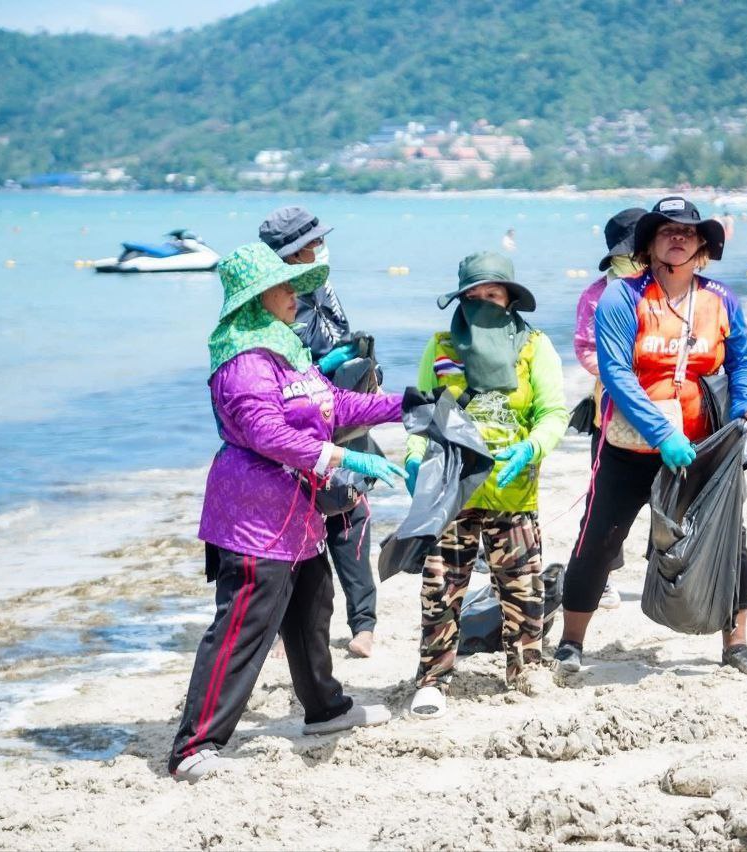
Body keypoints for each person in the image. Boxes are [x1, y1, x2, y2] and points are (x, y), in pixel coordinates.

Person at [168, 243, 407, 783]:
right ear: (257, 298)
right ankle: (194, 746)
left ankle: (325, 709)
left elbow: (333, 407)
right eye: (284, 287)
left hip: (295, 515)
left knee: (311, 606)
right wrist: (340, 456)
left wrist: (403, 405)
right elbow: (266, 433)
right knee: (242, 626)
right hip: (252, 515)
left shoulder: (285, 349)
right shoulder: (243, 359)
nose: (296, 294)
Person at [555, 196, 747, 675]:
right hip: (631, 445)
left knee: (728, 540)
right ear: (650, 244)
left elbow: (743, 363)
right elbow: (614, 373)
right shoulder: (622, 297)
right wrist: (661, 433)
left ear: (701, 247)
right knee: (600, 539)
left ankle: (736, 643)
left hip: (704, 446)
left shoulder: (720, 298)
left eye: (688, 232)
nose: (677, 238)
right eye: (666, 231)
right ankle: (571, 641)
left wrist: (745, 405)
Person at [404, 251, 567, 719]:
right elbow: (421, 416)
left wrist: (532, 448)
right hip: (450, 490)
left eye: (491, 295)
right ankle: (433, 678)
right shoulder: (440, 347)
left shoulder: (534, 347)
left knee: (522, 587)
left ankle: (525, 669)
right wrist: (415, 459)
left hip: (513, 490)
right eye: (472, 296)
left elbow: (553, 413)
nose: (482, 303)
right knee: (440, 588)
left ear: (509, 300)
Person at [259, 206, 380, 659]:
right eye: (310, 245)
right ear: (289, 254)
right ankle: (277, 627)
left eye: (318, 242)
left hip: (343, 413)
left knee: (350, 516)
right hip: (298, 423)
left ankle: (363, 624)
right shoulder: (270, 300)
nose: (318, 249)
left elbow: (338, 334)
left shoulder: (321, 282)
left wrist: (362, 366)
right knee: (291, 526)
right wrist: (320, 370)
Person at [572, 207, 647, 610]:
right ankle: (601, 575)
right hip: (612, 411)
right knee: (603, 498)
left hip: (670, 410)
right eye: (627, 254)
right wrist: (621, 376)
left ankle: (666, 568)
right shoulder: (595, 296)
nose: (632, 260)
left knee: (671, 492)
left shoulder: (664, 290)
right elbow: (585, 349)